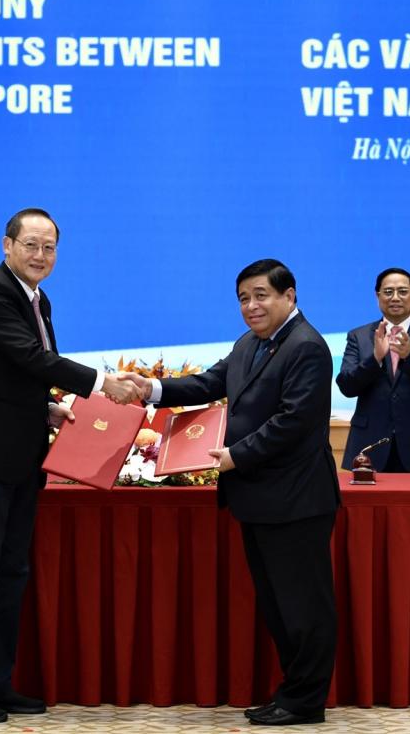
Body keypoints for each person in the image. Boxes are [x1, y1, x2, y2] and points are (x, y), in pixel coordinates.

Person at [0, 208, 141, 724]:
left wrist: (47, 407)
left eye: (49, 247)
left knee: (10, 572)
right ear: (7, 246)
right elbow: (30, 358)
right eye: (31, 245)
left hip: (20, 453)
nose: (40, 255)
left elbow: (9, 373)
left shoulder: (38, 298)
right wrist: (101, 384)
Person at [120, 259, 339, 726]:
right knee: (279, 604)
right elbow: (209, 383)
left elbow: (293, 422)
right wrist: (152, 388)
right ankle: (293, 692)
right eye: (243, 298)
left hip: (296, 500)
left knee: (303, 605)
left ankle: (306, 700)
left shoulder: (308, 348)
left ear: (289, 296)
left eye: (260, 295)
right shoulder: (250, 344)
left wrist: (234, 456)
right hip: (260, 499)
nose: (251, 306)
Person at [336, 267, 410, 473]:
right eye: (388, 291)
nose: (395, 297)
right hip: (371, 446)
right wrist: (375, 359)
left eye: (402, 291)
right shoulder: (360, 336)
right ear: (378, 296)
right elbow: (346, 385)